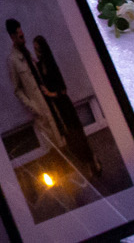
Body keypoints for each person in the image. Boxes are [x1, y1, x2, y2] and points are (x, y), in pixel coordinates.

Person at [33, 34, 101, 178]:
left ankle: (92, 161)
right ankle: (89, 163)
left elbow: (63, 89)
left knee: (77, 134)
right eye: (35, 50)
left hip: (64, 105)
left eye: (38, 49)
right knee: (71, 138)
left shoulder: (50, 63)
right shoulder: (40, 65)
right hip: (56, 108)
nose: (37, 52)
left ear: (43, 49)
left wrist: (49, 93)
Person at [6, 19, 59, 155]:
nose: (24, 39)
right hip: (39, 107)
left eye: (23, 34)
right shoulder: (13, 60)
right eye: (20, 36)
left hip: (48, 101)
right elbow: (17, 90)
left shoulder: (27, 53)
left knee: (60, 135)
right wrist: (32, 107)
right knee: (52, 145)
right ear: (12, 37)